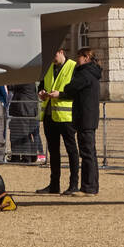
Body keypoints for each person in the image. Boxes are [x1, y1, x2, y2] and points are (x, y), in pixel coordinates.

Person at [60, 47, 103, 195]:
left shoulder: (85, 73)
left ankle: (88, 187)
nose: (77, 59)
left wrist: (65, 89)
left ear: (86, 58)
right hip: (88, 117)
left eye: (79, 56)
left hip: (85, 117)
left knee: (87, 153)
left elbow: (71, 87)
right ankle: (92, 186)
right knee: (90, 153)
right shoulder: (91, 73)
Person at [37, 46, 78, 195]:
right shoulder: (49, 67)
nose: (52, 59)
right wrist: (41, 93)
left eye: (54, 55)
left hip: (65, 117)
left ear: (61, 52)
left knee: (71, 150)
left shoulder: (73, 67)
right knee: (53, 152)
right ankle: (54, 185)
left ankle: (74, 185)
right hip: (49, 116)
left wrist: (60, 94)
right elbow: (42, 85)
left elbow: (77, 91)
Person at [8, 82, 42, 163]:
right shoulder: (29, 78)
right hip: (28, 108)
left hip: (23, 109)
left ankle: (26, 157)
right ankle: (27, 156)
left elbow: (11, 85)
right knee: (24, 134)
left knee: (22, 134)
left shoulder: (25, 78)